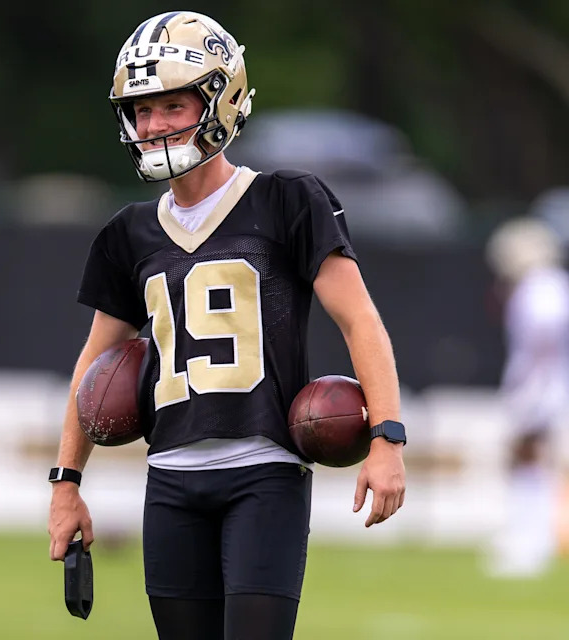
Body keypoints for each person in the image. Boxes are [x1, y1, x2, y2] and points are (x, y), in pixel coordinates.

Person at [46, 12, 406, 639]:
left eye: (172, 106)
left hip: (264, 475)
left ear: (221, 99)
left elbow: (361, 321)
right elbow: (92, 367)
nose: (153, 125)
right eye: (141, 110)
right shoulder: (127, 232)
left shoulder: (288, 200)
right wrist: (66, 483)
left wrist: (388, 437)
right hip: (171, 483)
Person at [484, 216, 569, 578]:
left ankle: (528, 542)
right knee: (531, 461)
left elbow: (542, 333)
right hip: (547, 383)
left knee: (526, 459)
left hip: (540, 387)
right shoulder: (552, 284)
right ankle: (529, 538)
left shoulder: (539, 287)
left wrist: (530, 385)